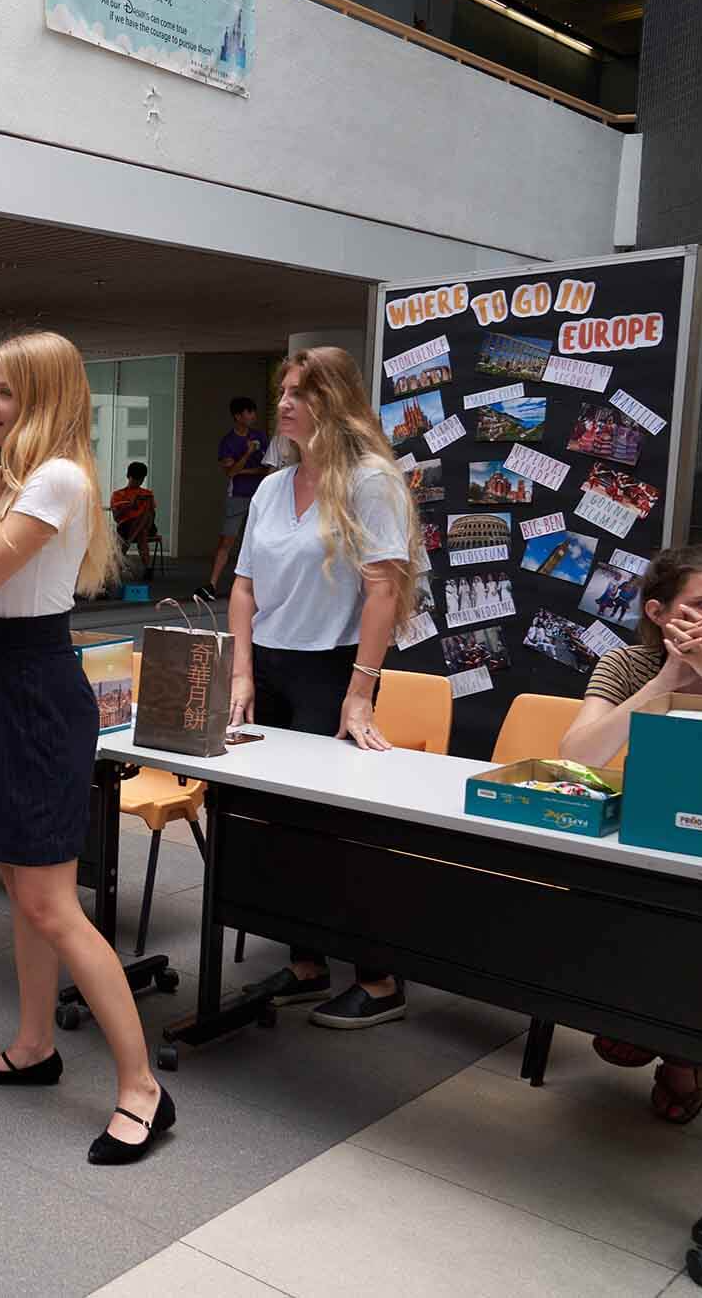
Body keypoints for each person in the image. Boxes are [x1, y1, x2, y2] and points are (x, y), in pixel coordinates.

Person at [0, 331, 172, 1166]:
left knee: (51, 904)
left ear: (42, 398)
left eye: (3, 391)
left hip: (36, 694)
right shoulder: (32, 476)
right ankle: (35, 1045)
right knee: (24, 890)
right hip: (7, 680)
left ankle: (143, 1088)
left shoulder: (54, 479)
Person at [228, 347, 421, 1028]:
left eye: (300, 393)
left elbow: (383, 590)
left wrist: (360, 691)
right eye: (282, 390)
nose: (283, 403)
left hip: (333, 671)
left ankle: (379, 978)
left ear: (333, 401)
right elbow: (243, 588)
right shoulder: (272, 488)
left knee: (336, 830)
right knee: (276, 826)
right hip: (268, 668)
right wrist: (242, 671)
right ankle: (307, 962)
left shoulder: (371, 481)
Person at [561, 545, 702, 1124]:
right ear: (658, 612)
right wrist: (669, 679)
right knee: (617, 905)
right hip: (644, 835)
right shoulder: (627, 664)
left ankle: (685, 1050)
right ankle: (638, 1011)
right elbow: (578, 757)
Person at [194, 396, 269, 602]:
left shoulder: (261, 437)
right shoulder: (228, 441)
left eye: (253, 412)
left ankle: (261, 587)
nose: (253, 416)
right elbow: (230, 472)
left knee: (262, 540)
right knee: (227, 540)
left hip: (261, 494)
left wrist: (242, 470)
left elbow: (266, 468)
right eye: (249, 412)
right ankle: (212, 585)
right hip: (237, 495)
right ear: (238, 416)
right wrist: (247, 454)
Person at [110, 461, 158, 579]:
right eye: (135, 479)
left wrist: (145, 507)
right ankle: (148, 569)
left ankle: (127, 545)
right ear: (128, 476)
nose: (138, 482)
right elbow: (116, 517)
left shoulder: (147, 494)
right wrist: (130, 506)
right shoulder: (118, 495)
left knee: (145, 514)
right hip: (126, 527)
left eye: (141, 480)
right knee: (142, 533)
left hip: (146, 526)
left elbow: (151, 515)